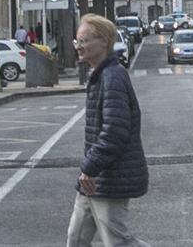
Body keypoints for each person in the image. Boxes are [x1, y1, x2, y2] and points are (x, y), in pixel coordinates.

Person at [67, 14, 150, 247]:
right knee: (76, 239)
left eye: (84, 41)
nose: (79, 47)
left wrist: (90, 167)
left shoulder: (112, 77)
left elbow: (115, 132)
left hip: (109, 177)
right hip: (94, 179)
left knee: (117, 242)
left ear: (103, 41)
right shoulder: (100, 75)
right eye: (77, 42)